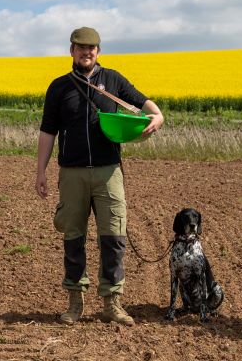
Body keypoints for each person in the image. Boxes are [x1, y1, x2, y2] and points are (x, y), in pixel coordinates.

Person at [35, 27, 164, 326]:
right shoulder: (58, 87)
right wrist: (40, 171)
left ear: (98, 52)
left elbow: (145, 103)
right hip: (72, 173)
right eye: (81, 47)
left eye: (92, 48)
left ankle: (112, 302)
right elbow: (47, 132)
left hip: (109, 173)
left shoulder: (114, 80)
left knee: (114, 237)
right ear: (71, 51)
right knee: (73, 237)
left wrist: (158, 116)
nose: (86, 52)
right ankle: (75, 302)